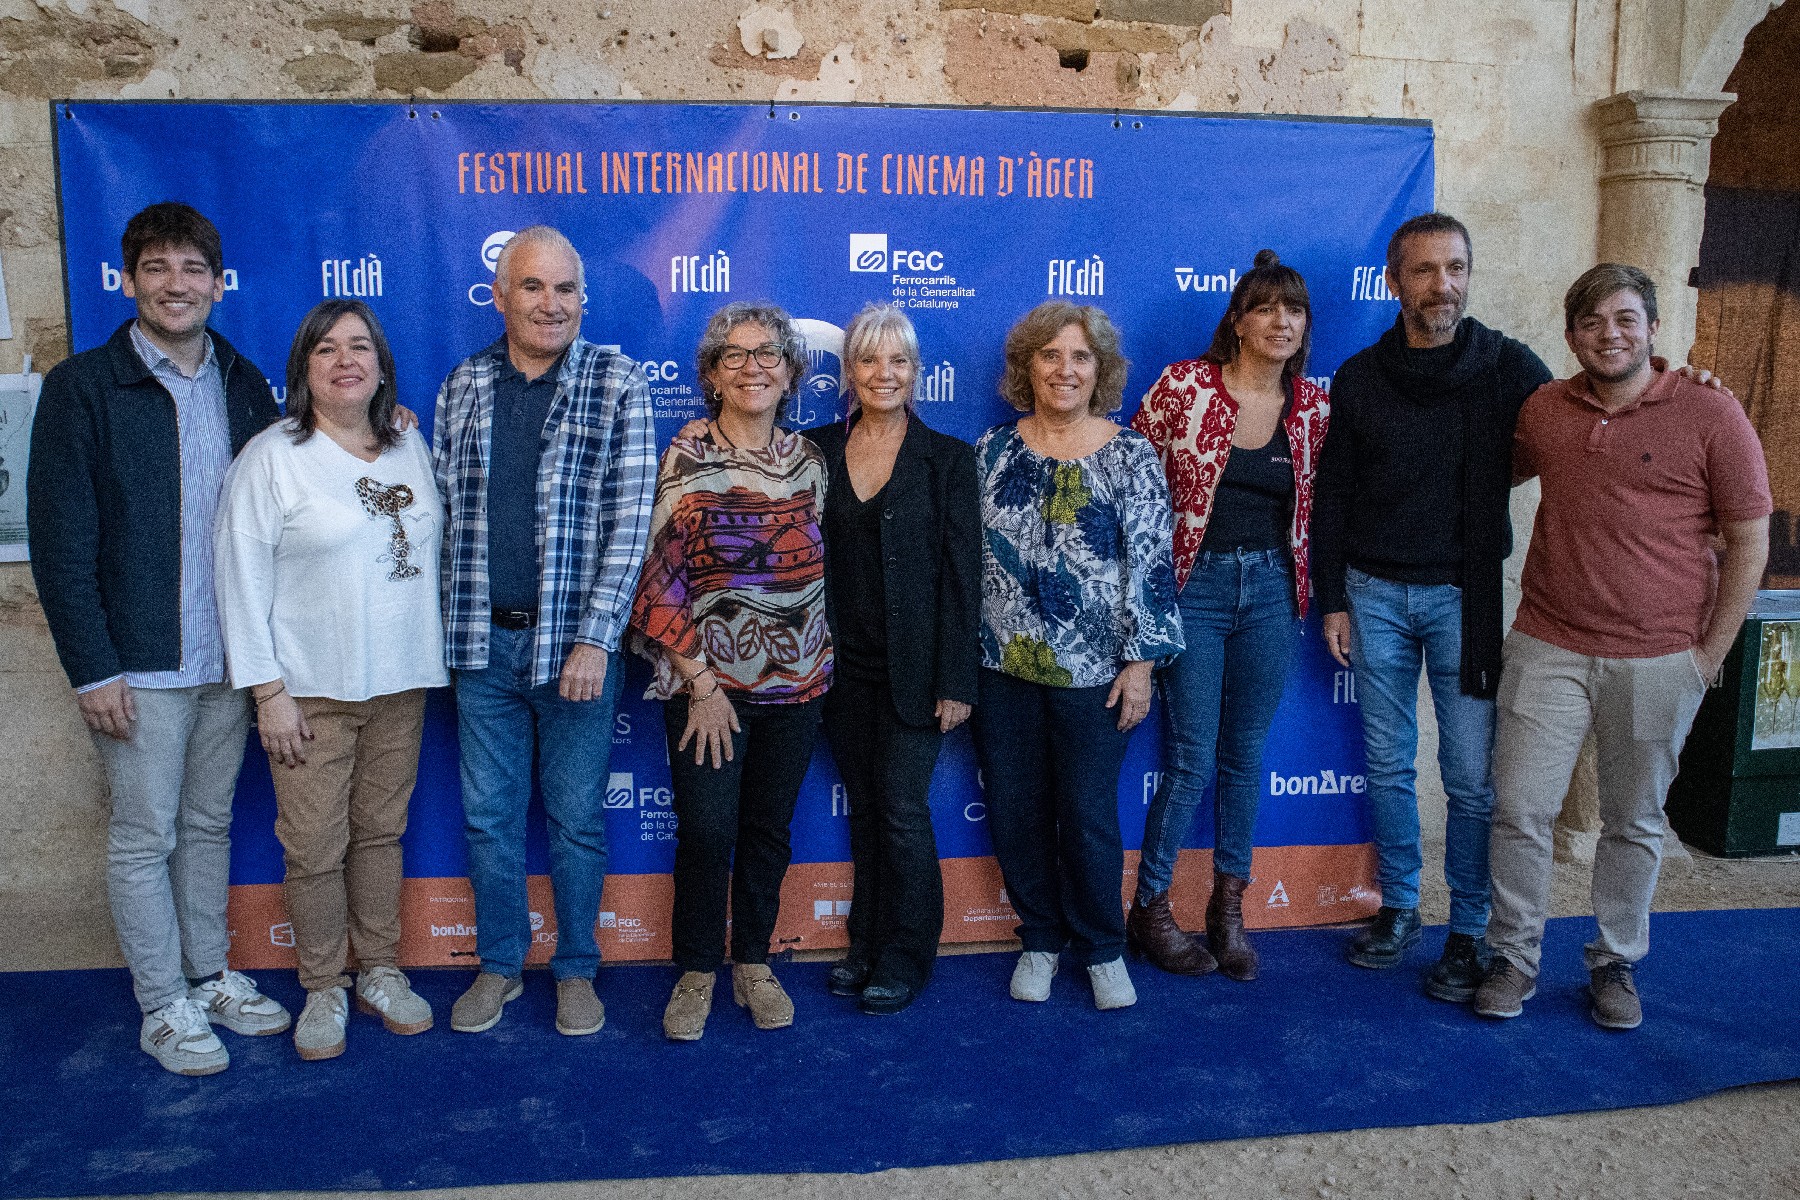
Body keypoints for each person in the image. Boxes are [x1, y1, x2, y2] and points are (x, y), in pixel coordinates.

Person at [28, 202, 292, 1076]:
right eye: (157, 268)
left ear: (216, 284)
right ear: (129, 279)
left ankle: (208, 976)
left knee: (208, 824)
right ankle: (162, 1004)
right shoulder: (82, 388)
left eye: (192, 269)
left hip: (229, 658)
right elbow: (60, 543)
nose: (175, 285)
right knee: (146, 837)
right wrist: (91, 669)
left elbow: (300, 477)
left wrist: (385, 420)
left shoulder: (242, 381)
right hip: (137, 666)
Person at [1474, 265, 1770, 1029]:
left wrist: (1707, 658)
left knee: (1635, 821)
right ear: (1572, 336)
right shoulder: (1545, 410)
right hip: (1547, 645)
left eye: (1626, 318)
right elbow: (1483, 467)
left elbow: (1750, 540)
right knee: (1520, 809)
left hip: (1661, 658)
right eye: (1593, 322)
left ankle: (1615, 961)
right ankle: (1512, 956)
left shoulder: (1711, 411)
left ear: (1653, 328)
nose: (1610, 334)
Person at [1312, 213, 1553, 1000]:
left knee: (1470, 778)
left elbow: (1581, 422)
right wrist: (1333, 598)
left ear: (1469, 276)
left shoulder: (1509, 367)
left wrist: (1672, 385)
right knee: (1388, 765)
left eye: (1455, 268)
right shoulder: (1360, 376)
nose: (1441, 284)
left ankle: (1471, 931)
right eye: (1424, 270)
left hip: (1465, 598)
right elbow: (1332, 497)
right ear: (1394, 283)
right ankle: (1402, 908)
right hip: (1374, 594)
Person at [433, 225, 656, 1037]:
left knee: (575, 820)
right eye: (532, 286)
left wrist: (596, 638)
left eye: (565, 289)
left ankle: (576, 970)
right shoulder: (462, 385)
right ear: (500, 296)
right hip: (480, 644)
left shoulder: (618, 383)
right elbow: (440, 511)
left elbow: (631, 524)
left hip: (575, 649)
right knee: (489, 820)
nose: (550, 303)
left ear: (582, 300)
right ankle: (499, 965)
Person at [215, 299, 448, 1060]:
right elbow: (238, 578)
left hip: (400, 681)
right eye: (326, 349)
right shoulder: (272, 457)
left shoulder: (409, 445)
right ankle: (323, 986)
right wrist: (267, 692)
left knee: (380, 834)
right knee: (315, 847)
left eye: (359, 347)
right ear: (303, 368)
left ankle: (379, 969)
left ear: (381, 365)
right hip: (309, 691)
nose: (345, 360)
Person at [973, 300, 1185, 1011]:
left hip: (1096, 675)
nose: (1065, 369)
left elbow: (1152, 566)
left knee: (1089, 814)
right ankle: (1039, 939)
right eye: (1050, 355)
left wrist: (1141, 664)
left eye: (1081, 357)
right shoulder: (991, 452)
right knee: (1016, 810)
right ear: (1027, 367)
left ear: (1100, 371)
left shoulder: (1131, 456)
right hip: (1001, 668)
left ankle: (1101, 948)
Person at [1127, 250, 1331, 982]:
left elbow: (1323, 510)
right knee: (1190, 759)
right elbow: (1135, 488)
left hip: (1273, 590)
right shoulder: (1184, 387)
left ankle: (1228, 909)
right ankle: (1151, 907)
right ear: (1238, 322)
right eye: (1266, 309)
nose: (1281, 322)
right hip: (1196, 590)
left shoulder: (1312, 409)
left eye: (1294, 310)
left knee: (1245, 757)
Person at [632, 301, 833, 1041]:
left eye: (768, 353)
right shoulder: (686, 457)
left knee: (768, 833)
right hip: (707, 690)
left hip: (800, 685)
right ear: (712, 375)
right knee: (707, 833)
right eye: (735, 356)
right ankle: (695, 971)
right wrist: (702, 686)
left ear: (790, 372)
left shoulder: (810, 462)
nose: (753, 367)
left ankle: (752, 962)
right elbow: (660, 583)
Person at [810, 305, 980, 1015]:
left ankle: (907, 954)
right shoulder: (814, 451)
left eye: (899, 361)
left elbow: (964, 578)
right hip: (836, 671)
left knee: (903, 810)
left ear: (916, 372)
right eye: (870, 360)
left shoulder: (949, 460)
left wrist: (957, 678)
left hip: (917, 673)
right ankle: (866, 944)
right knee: (868, 809)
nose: (884, 373)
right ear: (849, 372)